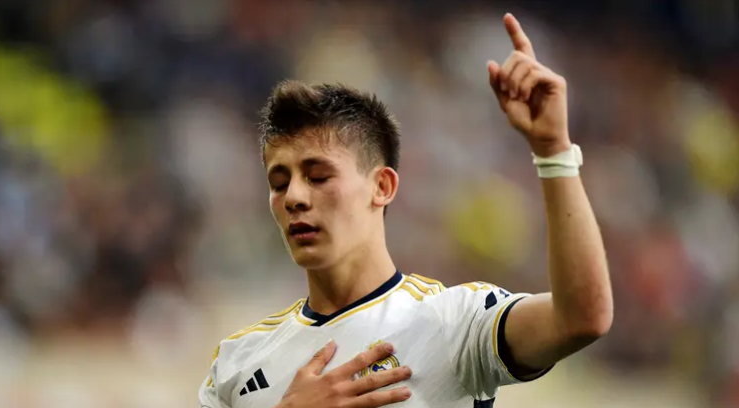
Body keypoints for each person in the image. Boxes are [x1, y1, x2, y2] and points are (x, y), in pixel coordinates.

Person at [198, 13, 612, 408]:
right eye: (279, 182)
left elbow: (582, 318)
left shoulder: (453, 322)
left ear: (382, 187)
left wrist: (554, 151)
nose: (294, 197)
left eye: (318, 176)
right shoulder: (237, 361)